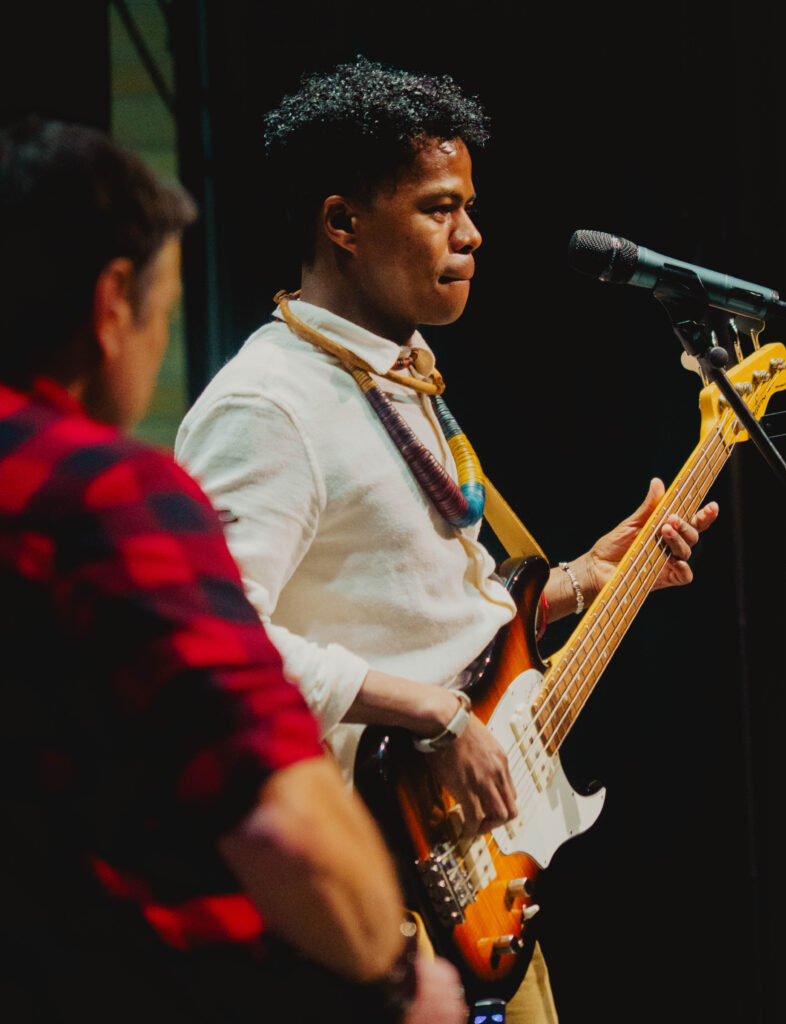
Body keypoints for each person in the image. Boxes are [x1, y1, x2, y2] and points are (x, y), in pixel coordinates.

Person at [175, 57, 719, 1022]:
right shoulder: (270, 404)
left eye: (467, 205)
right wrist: (432, 713)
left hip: (468, 885)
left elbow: (402, 603)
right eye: (438, 208)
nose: (471, 234)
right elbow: (214, 645)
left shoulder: (397, 371)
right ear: (342, 223)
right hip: (370, 900)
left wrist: (572, 585)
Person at [0, 118, 468, 1024]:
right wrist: (401, 979)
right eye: (164, 314)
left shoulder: (403, 380)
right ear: (110, 306)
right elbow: (277, 814)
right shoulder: (104, 493)